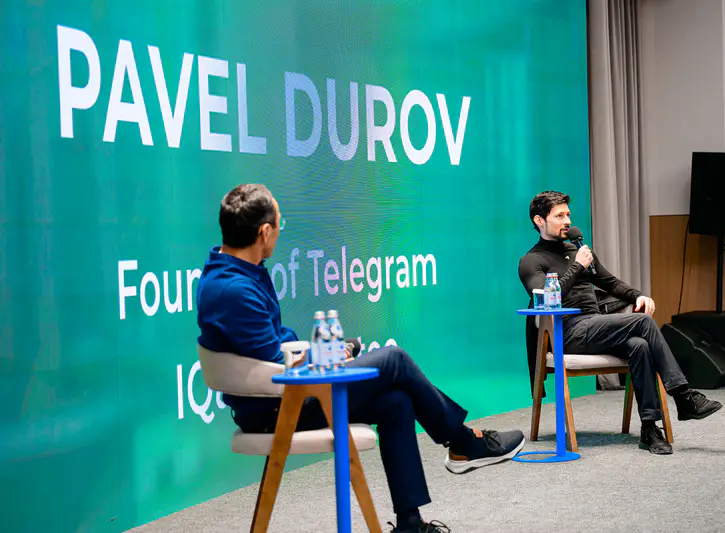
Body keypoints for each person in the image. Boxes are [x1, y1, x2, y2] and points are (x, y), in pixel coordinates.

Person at [196, 184, 525, 533]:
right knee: (394, 360)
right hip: (279, 409)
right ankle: (462, 442)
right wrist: (322, 354)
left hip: (285, 396)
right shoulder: (233, 289)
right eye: (280, 224)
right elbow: (278, 366)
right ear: (264, 232)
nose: (280, 230)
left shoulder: (237, 272)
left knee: (397, 403)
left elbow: (275, 348)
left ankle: (410, 524)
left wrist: (326, 351)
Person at [517, 190, 723, 455]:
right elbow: (546, 300)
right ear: (539, 221)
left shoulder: (578, 251)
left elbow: (610, 283)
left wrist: (638, 295)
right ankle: (683, 396)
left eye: (568, 214)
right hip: (564, 332)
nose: (567, 221)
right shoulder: (531, 261)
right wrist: (577, 267)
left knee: (639, 345)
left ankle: (650, 428)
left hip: (594, 325)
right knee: (642, 323)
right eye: (559, 216)